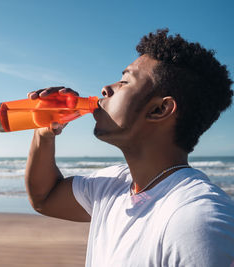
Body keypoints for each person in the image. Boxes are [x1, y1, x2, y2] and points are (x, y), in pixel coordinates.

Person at [25, 29, 234, 266]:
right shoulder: (113, 185)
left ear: (160, 110)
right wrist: (44, 132)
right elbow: (45, 197)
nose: (106, 88)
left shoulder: (197, 220)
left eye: (125, 81)